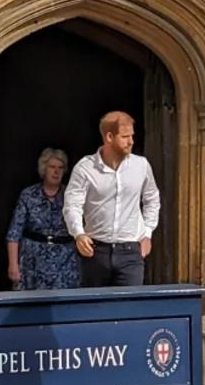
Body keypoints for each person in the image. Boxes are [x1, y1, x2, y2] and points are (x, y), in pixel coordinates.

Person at [63, 111, 160, 287]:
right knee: (94, 310)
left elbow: (152, 198)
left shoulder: (141, 165)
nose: (131, 141)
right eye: (125, 137)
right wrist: (78, 234)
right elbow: (72, 205)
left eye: (132, 136)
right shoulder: (85, 168)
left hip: (130, 250)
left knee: (129, 309)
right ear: (109, 137)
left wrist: (147, 233)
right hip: (96, 250)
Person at [6, 148, 81, 291]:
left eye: (60, 168)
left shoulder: (71, 195)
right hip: (32, 261)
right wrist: (13, 265)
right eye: (52, 167)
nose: (56, 172)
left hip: (65, 261)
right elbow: (14, 233)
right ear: (43, 169)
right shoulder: (28, 195)